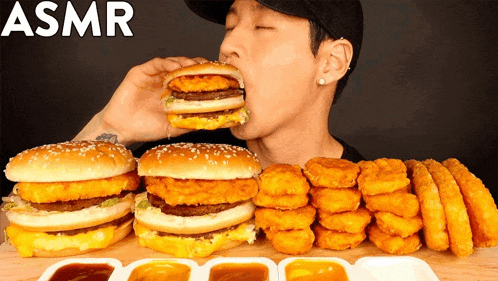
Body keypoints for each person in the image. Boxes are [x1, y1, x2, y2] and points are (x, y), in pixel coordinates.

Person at [73, 0, 365, 167]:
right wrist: (111, 128)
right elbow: (42, 211)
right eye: (230, 26)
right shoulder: (175, 162)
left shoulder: (368, 195)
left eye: (262, 27)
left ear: (332, 62)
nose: (228, 44)